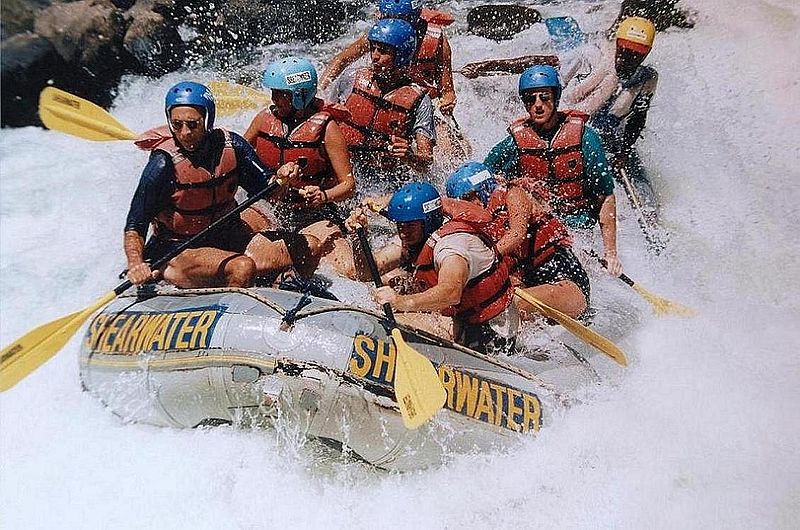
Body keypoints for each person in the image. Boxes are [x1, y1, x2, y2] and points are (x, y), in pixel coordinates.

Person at [124, 81, 301, 288]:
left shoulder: (232, 146)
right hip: (179, 251)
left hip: (226, 239)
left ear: (208, 120)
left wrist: (283, 179)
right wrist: (136, 264)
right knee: (242, 267)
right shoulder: (162, 165)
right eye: (177, 124)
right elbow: (135, 225)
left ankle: (284, 291)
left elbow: (269, 189)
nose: (184, 133)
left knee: (306, 247)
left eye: (193, 124)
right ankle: (225, 303)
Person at [346, 182, 519, 355]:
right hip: (460, 318)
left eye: (410, 226)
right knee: (388, 295)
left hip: (490, 331)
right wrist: (357, 238)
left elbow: (451, 293)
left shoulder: (452, 247)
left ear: (428, 221)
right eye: (400, 225)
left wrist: (400, 302)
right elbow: (365, 273)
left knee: (385, 323)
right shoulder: (415, 236)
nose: (403, 233)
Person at [484, 65, 623, 275]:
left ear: (556, 98)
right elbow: (486, 178)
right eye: (531, 99)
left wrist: (611, 254)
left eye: (545, 97)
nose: (538, 105)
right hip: (539, 229)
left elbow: (605, 198)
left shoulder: (586, 138)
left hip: (578, 229)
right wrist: (511, 185)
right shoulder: (514, 144)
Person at [243, 56, 356, 278]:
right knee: (236, 243)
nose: (274, 99)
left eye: (281, 94)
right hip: (269, 207)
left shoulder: (327, 129)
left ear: (299, 96)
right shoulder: (262, 119)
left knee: (347, 271)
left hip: (313, 214)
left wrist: (323, 196)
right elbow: (238, 160)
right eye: (273, 92)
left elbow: (349, 185)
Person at [446, 162, 589, 319]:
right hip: (529, 283)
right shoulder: (478, 223)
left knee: (507, 305)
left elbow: (517, 234)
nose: (467, 205)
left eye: (469, 198)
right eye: (461, 201)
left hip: (568, 282)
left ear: (484, 189)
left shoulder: (513, 194)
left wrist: (482, 259)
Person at [338, 18, 436, 195]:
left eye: (383, 51)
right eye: (373, 49)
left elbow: (426, 162)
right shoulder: (351, 79)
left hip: (387, 181)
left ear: (401, 56)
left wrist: (409, 157)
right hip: (345, 172)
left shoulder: (420, 100)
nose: (374, 56)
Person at [319, 0, 457, 114]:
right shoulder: (380, 35)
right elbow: (341, 60)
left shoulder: (436, 41)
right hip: (380, 96)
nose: (391, 24)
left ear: (414, 18)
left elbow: (447, 92)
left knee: (450, 143)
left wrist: (446, 103)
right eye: (387, 17)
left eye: (400, 20)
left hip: (418, 106)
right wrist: (319, 91)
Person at [566, 16, 658, 166]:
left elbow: (639, 117)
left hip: (609, 127)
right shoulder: (596, 56)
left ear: (645, 54)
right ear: (617, 44)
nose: (627, 58)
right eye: (625, 50)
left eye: (636, 54)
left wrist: (624, 152)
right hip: (578, 114)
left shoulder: (648, 78)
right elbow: (567, 91)